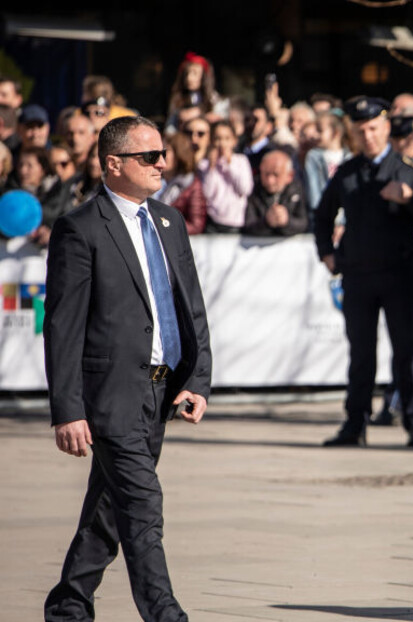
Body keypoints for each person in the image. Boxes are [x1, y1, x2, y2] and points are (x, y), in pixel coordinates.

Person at [42, 115, 212, 622]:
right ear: (113, 163)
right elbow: (63, 326)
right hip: (109, 394)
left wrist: (196, 380)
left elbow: (191, 307)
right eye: (149, 156)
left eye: (162, 154)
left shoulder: (168, 220)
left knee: (107, 511)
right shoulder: (81, 228)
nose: (163, 163)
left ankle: (68, 607)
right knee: (142, 505)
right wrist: (67, 410)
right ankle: (166, 614)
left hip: (159, 391)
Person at [313, 96, 413, 448]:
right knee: (361, 353)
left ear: (387, 127)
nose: (368, 136)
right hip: (358, 275)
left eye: (374, 128)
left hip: (399, 275)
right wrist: (327, 255)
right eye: (361, 130)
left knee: (406, 352)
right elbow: (322, 215)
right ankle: (354, 424)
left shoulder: (406, 169)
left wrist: (409, 197)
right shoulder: (347, 172)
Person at [198, 120, 252, 233]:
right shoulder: (205, 165)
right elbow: (206, 194)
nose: (222, 143)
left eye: (227, 138)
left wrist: (229, 164)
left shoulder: (241, 161)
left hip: (235, 222)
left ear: (234, 141)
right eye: (218, 138)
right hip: (213, 222)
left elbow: (245, 189)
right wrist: (211, 168)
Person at [159, 132, 207, 235]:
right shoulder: (154, 182)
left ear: (179, 154)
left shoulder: (192, 185)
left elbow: (196, 225)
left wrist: (165, 225)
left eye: (165, 152)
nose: (160, 157)